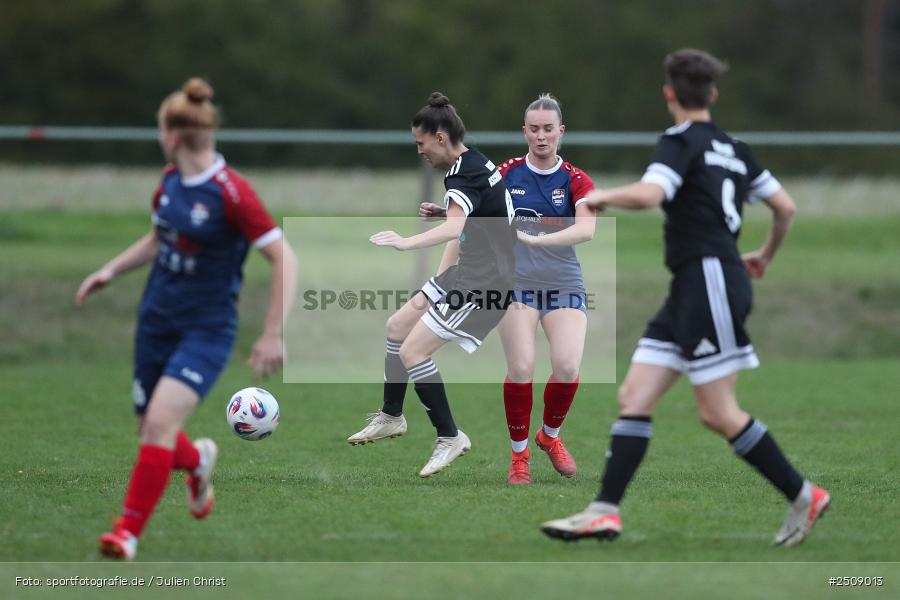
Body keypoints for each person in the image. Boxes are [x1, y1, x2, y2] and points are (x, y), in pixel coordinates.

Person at [540, 49, 830, 546]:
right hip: (697, 285)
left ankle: (803, 495)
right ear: (713, 95)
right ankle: (604, 511)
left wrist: (601, 196)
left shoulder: (679, 141)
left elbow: (652, 195)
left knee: (717, 412)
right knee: (634, 396)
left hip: (709, 279)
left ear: (669, 94)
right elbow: (785, 208)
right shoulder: (735, 148)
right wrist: (762, 255)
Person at [76, 78, 298, 559]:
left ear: (172, 134)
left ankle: (127, 532)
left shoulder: (232, 194)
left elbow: (285, 256)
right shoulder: (170, 181)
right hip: (156, 321)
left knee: (157, 428)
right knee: (151, 430)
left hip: (206, 330)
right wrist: (110, 270)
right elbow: (160, 238)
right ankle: (197, 462)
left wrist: (272, 333)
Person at [346, 92, 516, 478]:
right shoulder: (474, 162)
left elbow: (456, 227)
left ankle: (449, 436)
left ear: (440, 137)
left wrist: (406, 242)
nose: (419, 151)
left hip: (485, 283)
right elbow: (481, 215)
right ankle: (392, 416)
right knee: (396, 327)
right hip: (467, 271)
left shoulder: (461, 173)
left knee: (413, 353)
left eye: (420, 143)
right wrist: (449, 214)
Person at [492, 95, 598, 484]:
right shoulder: (506, 174)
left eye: (548, 129)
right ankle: (519, 458)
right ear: (524, 132)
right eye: (534, 129)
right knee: (521, 368)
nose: (541, 136)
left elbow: (587, 229)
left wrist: (537, 240)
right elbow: (474, 210)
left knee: (568, 365)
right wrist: (446, 214)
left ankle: (549, 437)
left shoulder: (575, 179)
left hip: (563, 281)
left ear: (560, 132)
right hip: (515, 285)